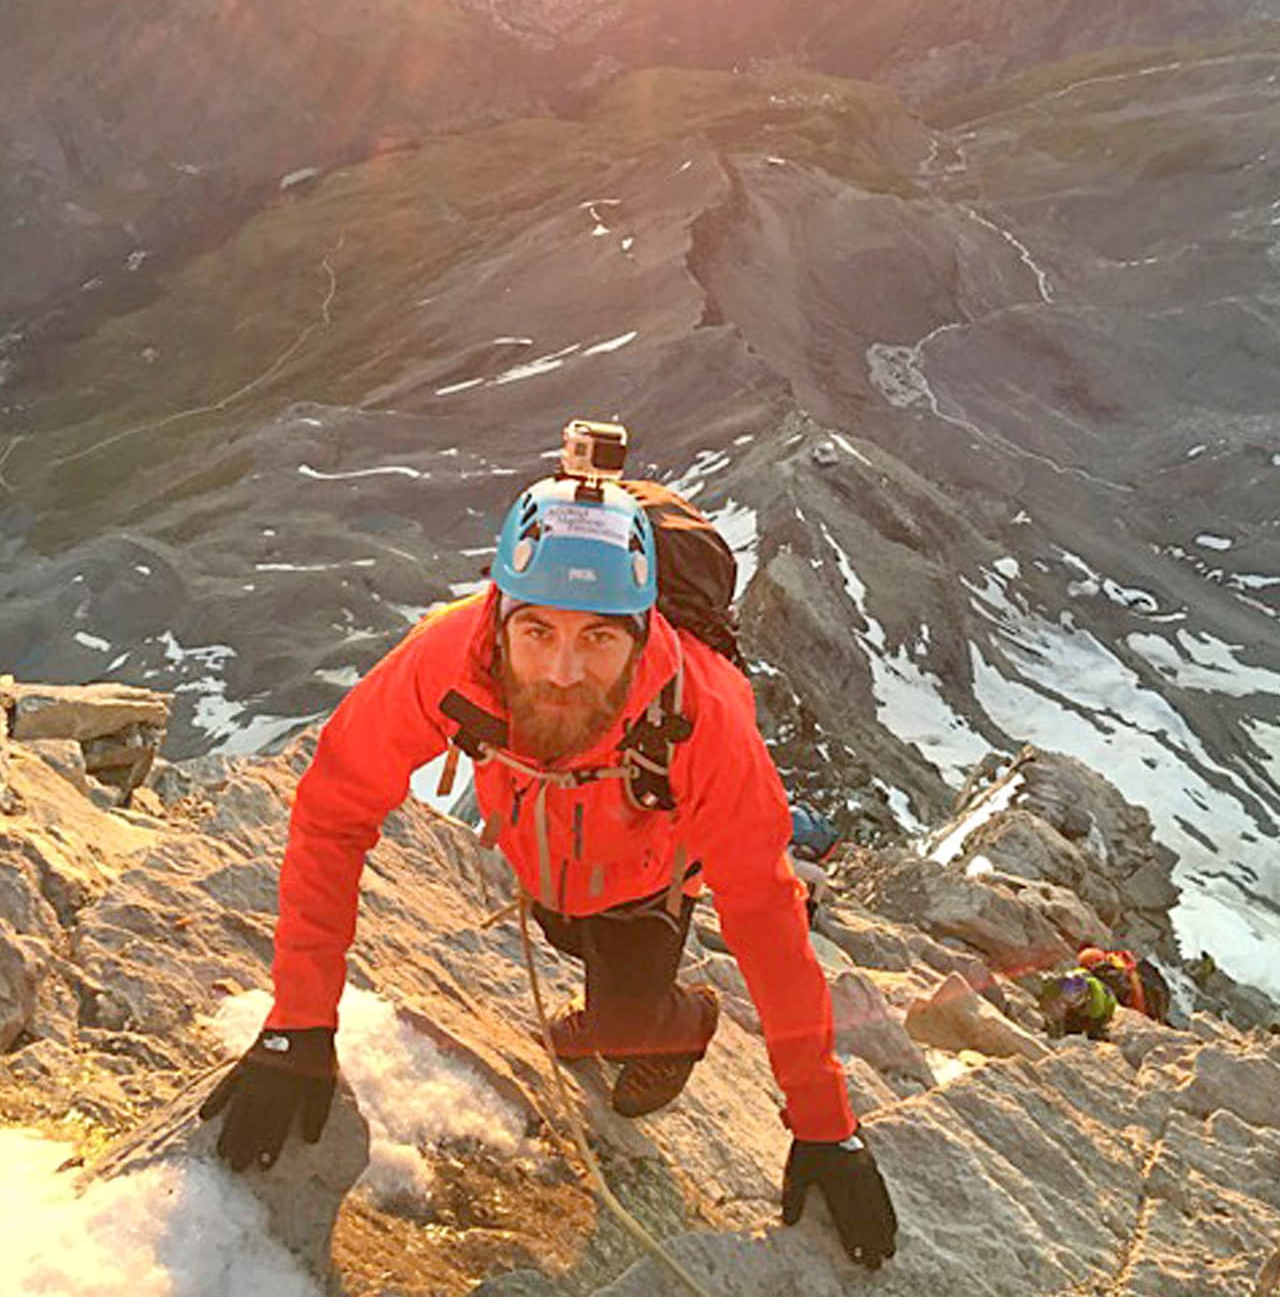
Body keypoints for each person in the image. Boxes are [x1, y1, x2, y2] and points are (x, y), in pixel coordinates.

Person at [201, 466, 898, 1271]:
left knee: (622, 1018)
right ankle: (601, 987)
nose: (564, 670)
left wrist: (825, 1122)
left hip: (645, 883)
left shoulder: (703, 713)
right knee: (568, 929)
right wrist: (298, 1017)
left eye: (598, 637)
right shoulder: (451, 656)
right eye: (538, 632)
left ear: (643, 631)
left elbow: (766, 914)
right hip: (541, 861)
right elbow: (333, 808)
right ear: (499, 616)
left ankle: (680, 1019)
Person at [1038, 967, 1118, 1040]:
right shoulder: (1062, 984)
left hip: (1102, 1012)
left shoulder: (1096, 1003)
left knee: (1081, 1029)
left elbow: (1095, 1018)